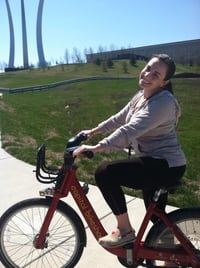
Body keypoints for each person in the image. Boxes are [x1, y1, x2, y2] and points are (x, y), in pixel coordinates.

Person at [73, 54, 186, 248]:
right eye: (148, 68)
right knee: (158, 219)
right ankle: (176, 258)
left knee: (105, 173)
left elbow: (130, 130)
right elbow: (119, 119)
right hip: (155, 161)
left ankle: (125, 231)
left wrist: (97, 147)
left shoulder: (163, 102)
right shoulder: (141, 96)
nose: (148, 74)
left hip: (165, 165)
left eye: (156, 74)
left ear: (164, 82)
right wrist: (92, 132)